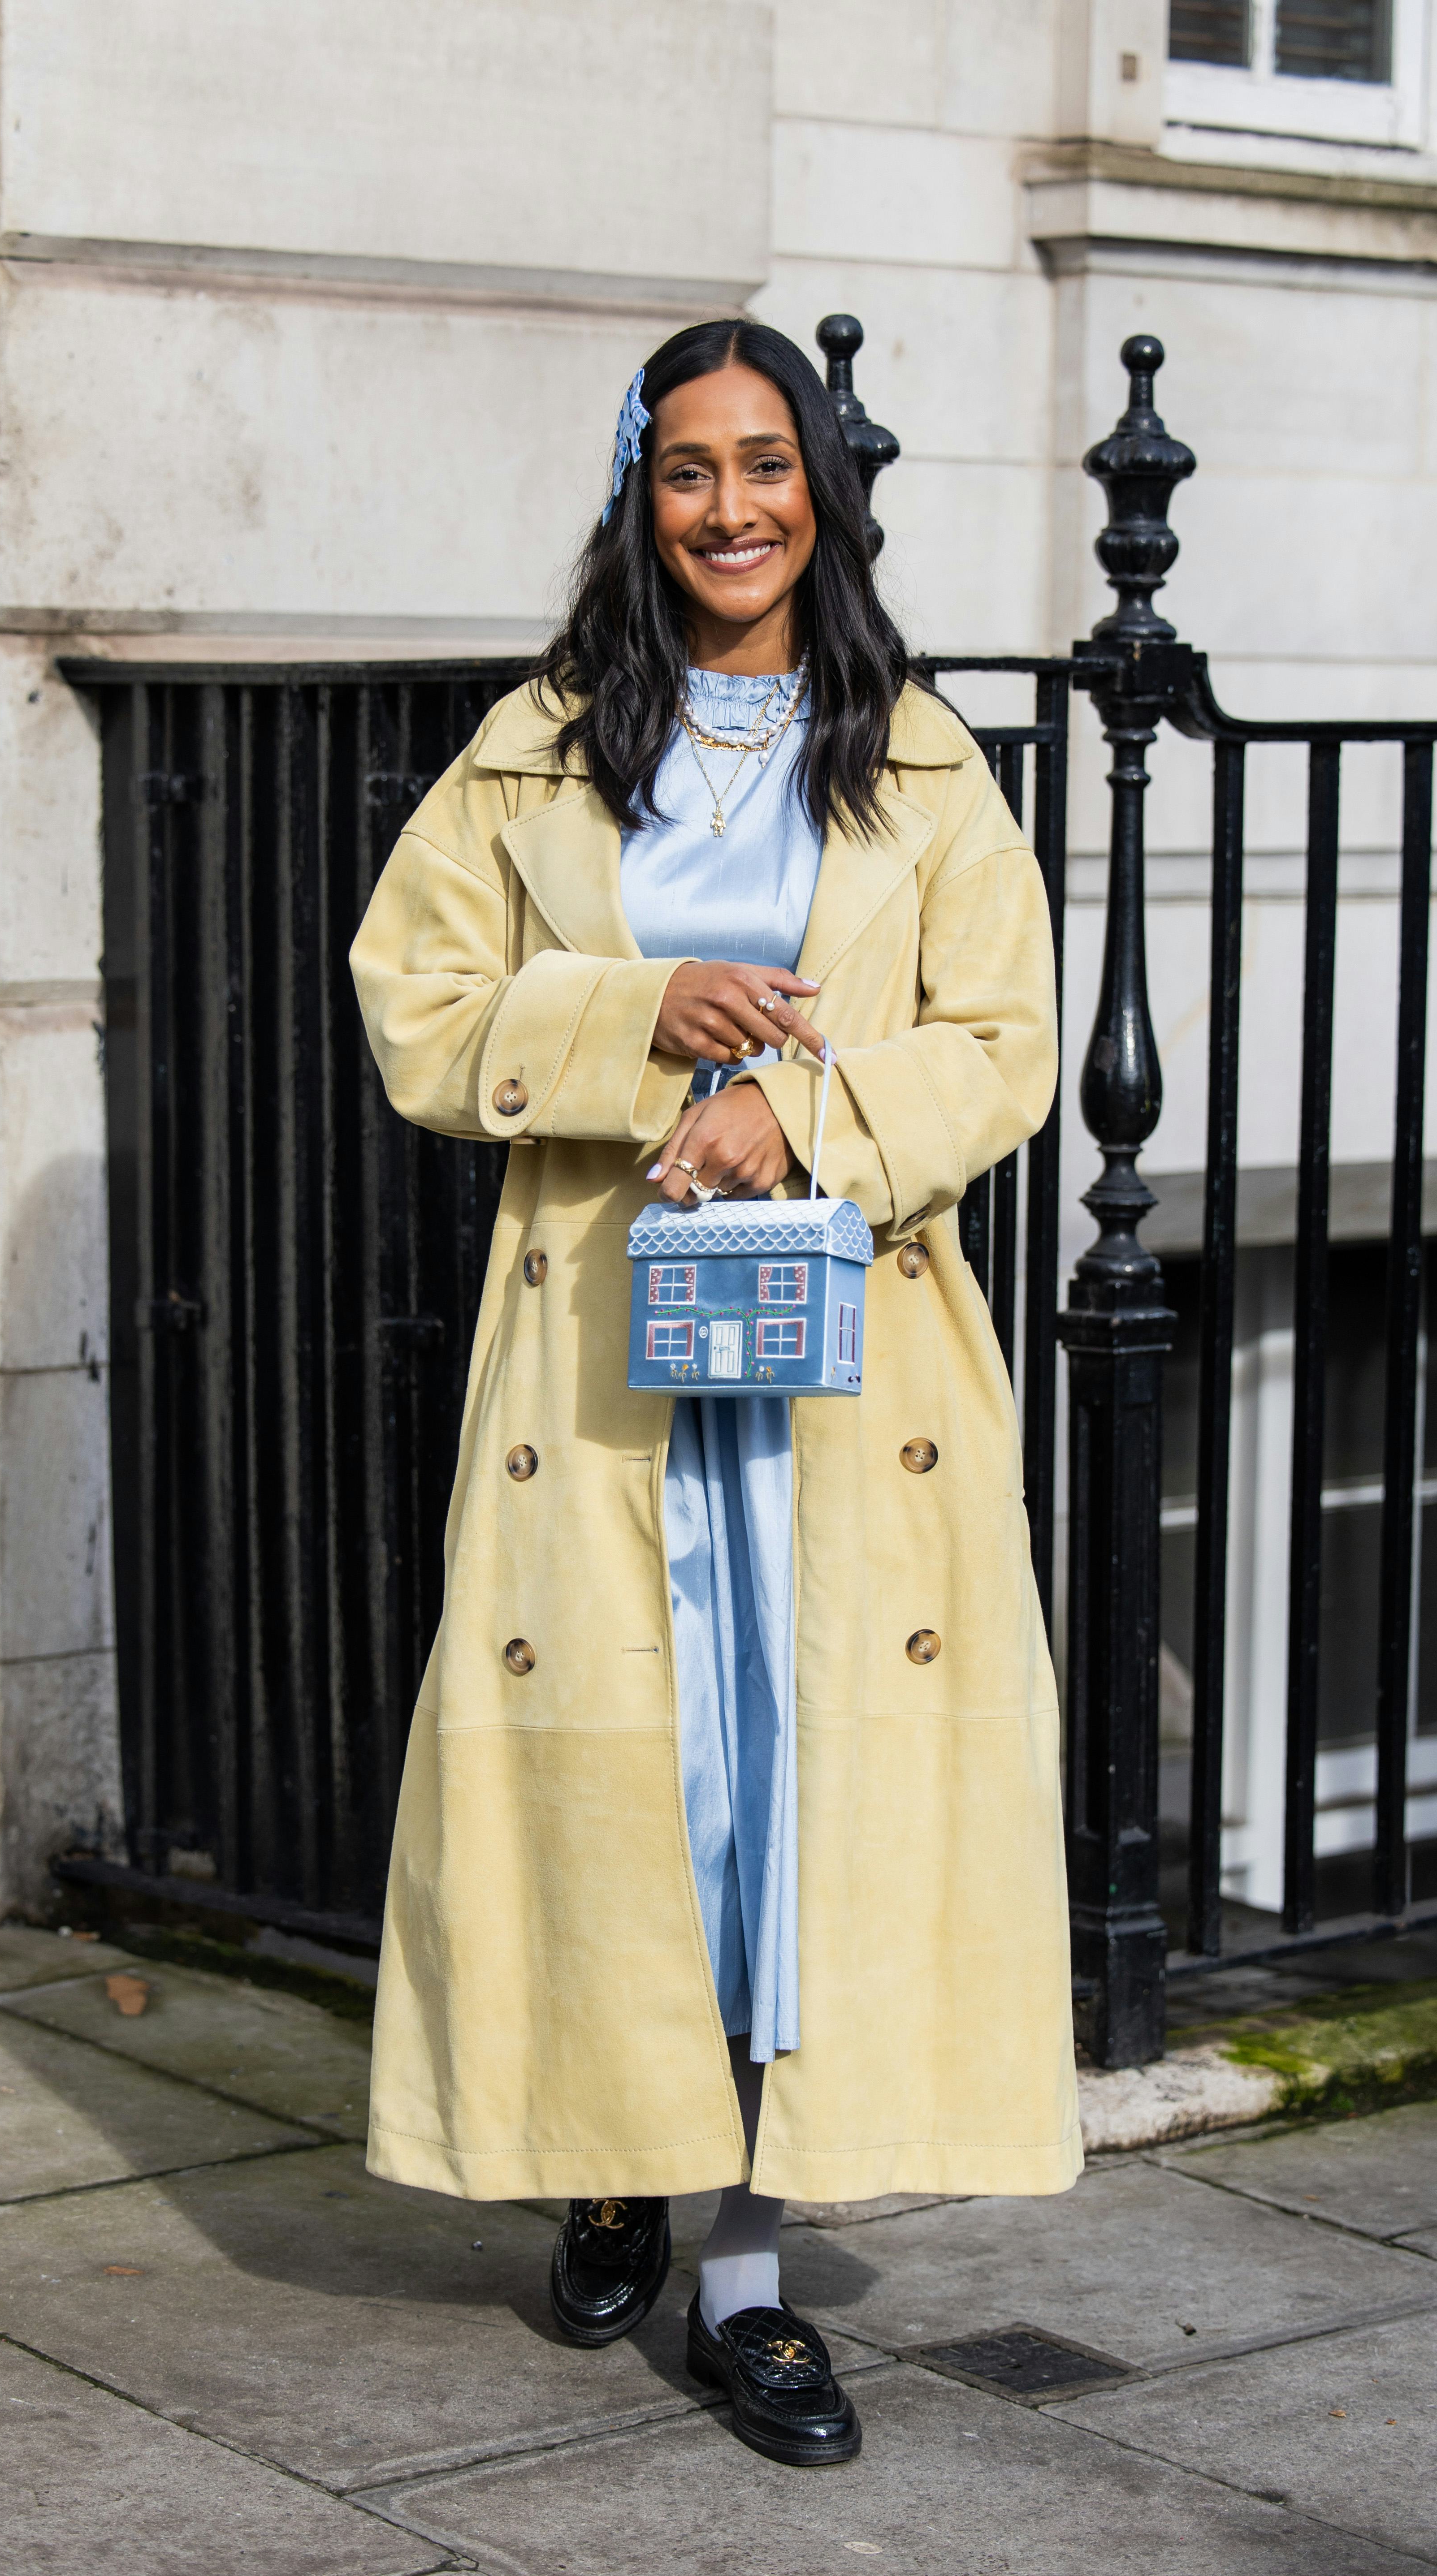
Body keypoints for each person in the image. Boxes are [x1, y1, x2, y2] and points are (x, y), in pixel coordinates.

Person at [349, 318, 1078, 2469]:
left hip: (848, 1393)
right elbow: (419, 1008)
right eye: (690, 470)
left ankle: (748, 2278)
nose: (734, 507)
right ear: (638, 492)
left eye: (769, 465)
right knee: (621, 1782)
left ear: (826, 494)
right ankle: (607, 2154)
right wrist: (644, 1013)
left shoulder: (925, 760)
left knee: (795, 1805)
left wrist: (807, 1115)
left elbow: (1009, 1043)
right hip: (603, 1363)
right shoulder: (535, 752)